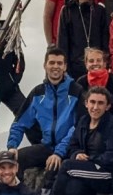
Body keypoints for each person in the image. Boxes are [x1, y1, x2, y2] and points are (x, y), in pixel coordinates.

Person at [6, 47, 83, 178]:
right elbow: (20, 122)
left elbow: (77, 127)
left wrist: (59, 152)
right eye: (52, 63)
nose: (55, 66)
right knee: (14, 161)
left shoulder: (76, 91)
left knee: (53, 171)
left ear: (65, 67)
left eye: (59, 63)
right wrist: (12, 146)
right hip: (46, 147)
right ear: (45, 65)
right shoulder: (38, 93)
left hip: (69, 149)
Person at [56, 0, 110, 80]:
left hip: (96, 65)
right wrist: (64, 66)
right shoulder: (67, 10)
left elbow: (105, 38)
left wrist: (106, 62)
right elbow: (62, 40)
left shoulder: (100, 11)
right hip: (74, 65)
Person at [76, 47, 113, 120]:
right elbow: (79, 109)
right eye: (91, 61)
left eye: (98, 60)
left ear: (104, 64)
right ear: (86, 64)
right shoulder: (80, 82)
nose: (95, 63)